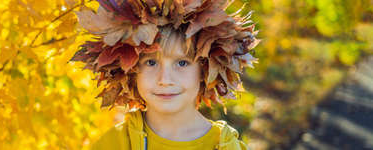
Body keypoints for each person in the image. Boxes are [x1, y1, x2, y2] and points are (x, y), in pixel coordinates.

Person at [71, 0, 260, 149]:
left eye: (182, 63)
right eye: (151, 62)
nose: (165, 80)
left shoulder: (226, 146)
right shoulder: (115, 144)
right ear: (131, 71)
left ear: (205, 70)